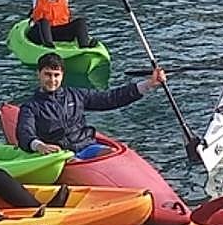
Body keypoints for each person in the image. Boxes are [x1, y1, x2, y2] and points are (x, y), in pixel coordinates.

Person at [16, 53, 166, 160]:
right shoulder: (30, 107)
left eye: (56, 75)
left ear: (62, 75)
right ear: (39, 74)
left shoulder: (76, 95)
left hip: (86, 146)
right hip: (60, 156)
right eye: (47, 74)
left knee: (111, 154)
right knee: (72, 160)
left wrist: (149, 84)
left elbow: (110, 99)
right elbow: (24, 134)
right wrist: (39, 146)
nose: (52, 80)